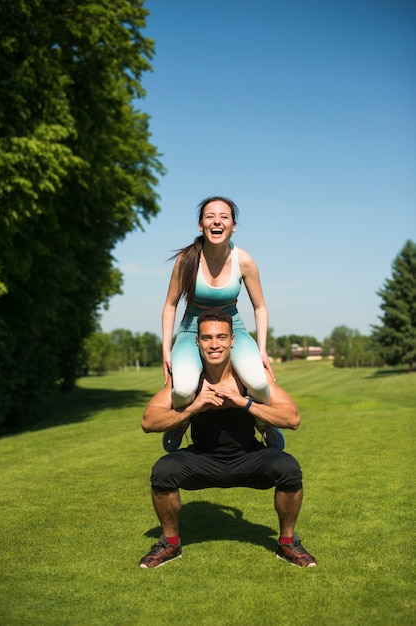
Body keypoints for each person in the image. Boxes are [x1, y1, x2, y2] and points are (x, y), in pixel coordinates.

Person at [139, 308, 317, 569]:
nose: (214, 344)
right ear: (197, 341)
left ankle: (288, 543)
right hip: (203, 458)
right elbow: (148, 420)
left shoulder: (251, 377)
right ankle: (170, 543)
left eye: (221, 337)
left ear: (233, 339)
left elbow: (292, 418)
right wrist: (194, 408)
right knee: (163, 471)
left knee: (288, 468)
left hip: (248, 457)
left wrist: (244, 404)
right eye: (207, 338)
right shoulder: (187, 379)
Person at [162, 195, 284, 452]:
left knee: (259, 383)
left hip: (233, 331)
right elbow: (170, 305)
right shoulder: (186, 261)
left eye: (224, 217)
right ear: (200, 225)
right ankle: (181, 422)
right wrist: (166, 348)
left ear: (233, 225)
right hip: (192, 331)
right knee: (182, 390)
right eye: (210, 216)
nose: (217, 221)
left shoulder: (244, 260)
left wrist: (262, 348)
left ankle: (263, 424)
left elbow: (260, 306)